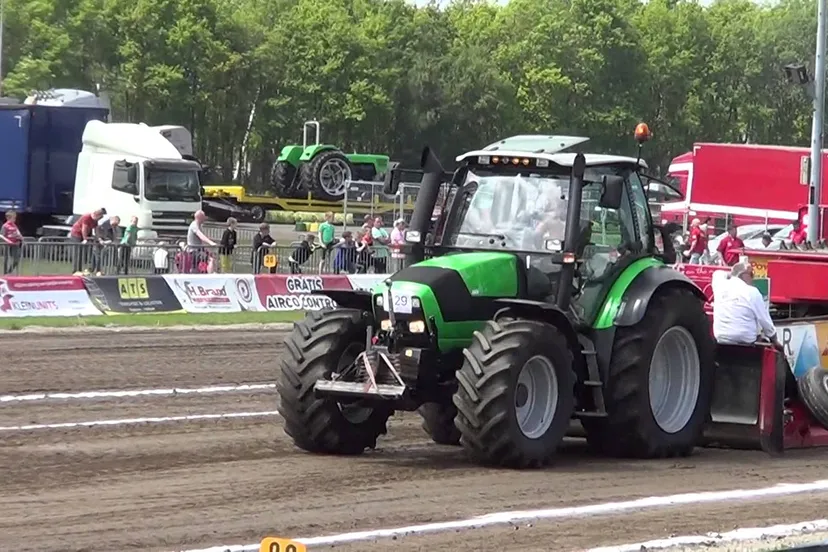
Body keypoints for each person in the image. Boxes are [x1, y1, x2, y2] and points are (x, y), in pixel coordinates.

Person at [712, 262, 783, 350]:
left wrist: (733, 273)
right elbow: (764, 320)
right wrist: (775, 340)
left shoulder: (719, 285)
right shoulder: (752, 292)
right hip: (744, 340)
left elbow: (717, 273)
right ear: (744, 275)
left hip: (721, 337)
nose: (753, 278)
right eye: (752, 274)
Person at [69, 208, 105, 274]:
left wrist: (99, 239)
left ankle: (80, 270)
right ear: (96, 215)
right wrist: (85, 239)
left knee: (83, 253)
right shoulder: (86, 217)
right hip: (77, 234)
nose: (99, 219)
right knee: (77, 252)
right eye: (100, 217)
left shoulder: (95, 220)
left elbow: (96, 230)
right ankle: (75, 271)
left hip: (86, 234)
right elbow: (84, 229)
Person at [1, 210, 23, 275]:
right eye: (13, 218)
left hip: (15, 244)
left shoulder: (14, 225)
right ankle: (5, 274)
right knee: (6, 260)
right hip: (7, 245)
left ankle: (9, 271)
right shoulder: (5, 226)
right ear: (8, 218)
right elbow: (1, 235)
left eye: (15, 218)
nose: (14, 220)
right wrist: (8, 241)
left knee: (16, 260)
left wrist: (21, 238)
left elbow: (18, 233)